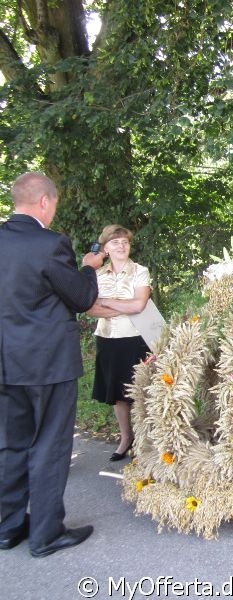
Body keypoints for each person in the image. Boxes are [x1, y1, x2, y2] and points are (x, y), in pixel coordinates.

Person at [0, 172, 105, 557]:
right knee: (49, 444)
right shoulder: (50, 244)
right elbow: (79, 296)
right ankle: (46, 533)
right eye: (55, 203)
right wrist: (90, 266)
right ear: (44, 201)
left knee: (11, 445)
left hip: (5, 364)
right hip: (47, 365)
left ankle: (8, 527)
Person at [86, 225, 152, 462]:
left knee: (140, 393)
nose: (122, 246)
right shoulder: (96, 274)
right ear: (105, 249)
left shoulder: (140, 271)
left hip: (136, 339)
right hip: (108, 340)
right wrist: (122, 305)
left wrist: (106, 302)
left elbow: (138, 306)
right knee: (117, 394)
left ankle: (145, 442)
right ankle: (126, 438)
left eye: (125, 242)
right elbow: (90, 308)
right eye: (115, 243)